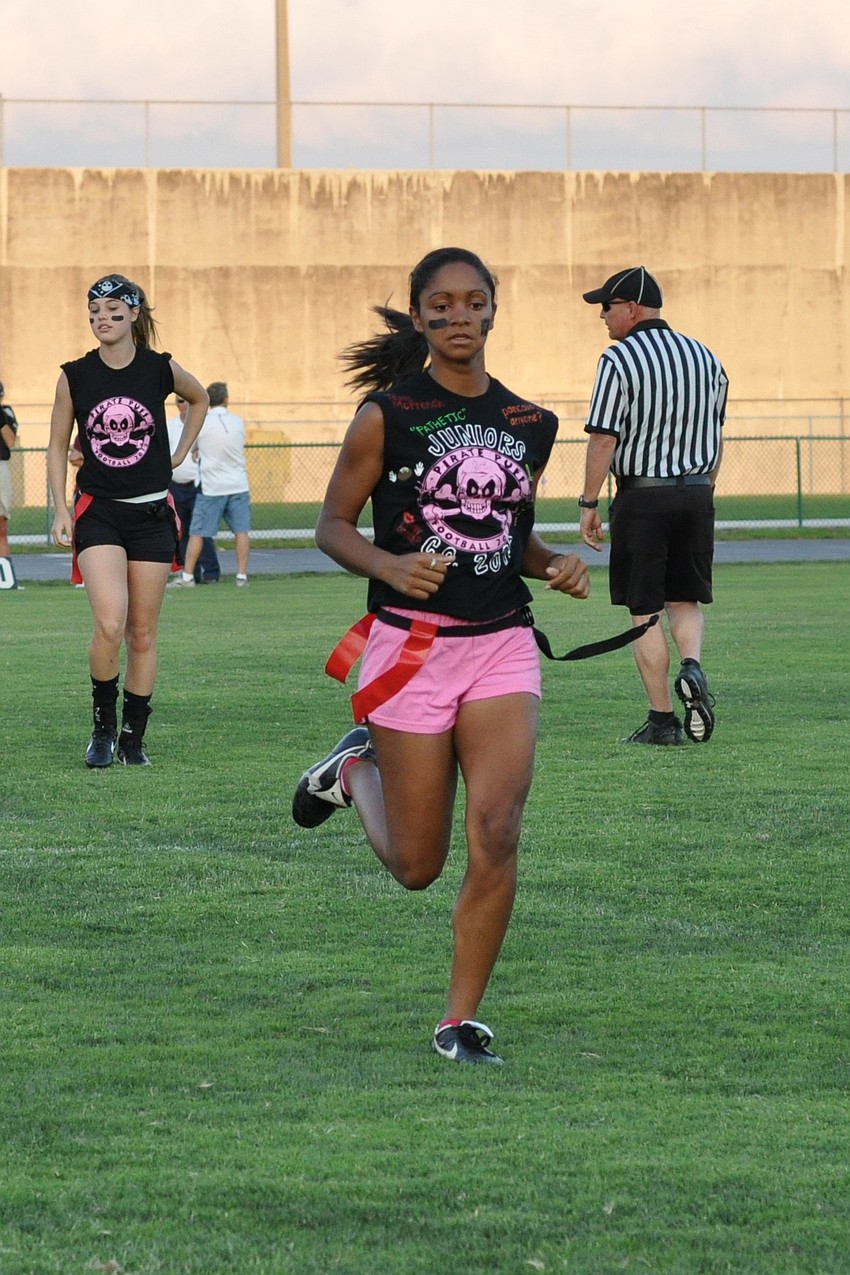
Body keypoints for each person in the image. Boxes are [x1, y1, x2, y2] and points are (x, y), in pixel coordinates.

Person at [291, 247, 590, 1066]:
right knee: (419, 865)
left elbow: (504, 530)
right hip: (408, 651)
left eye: (474, 302)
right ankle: (353, 774)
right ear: (420, 317)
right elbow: (332, 525)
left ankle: (458, 1023)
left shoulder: (534, 423)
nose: (460, 317)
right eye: (442, 305)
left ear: (495, 310)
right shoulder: (387, 414)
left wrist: (554, 560)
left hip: (500, 646)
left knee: (496, 827)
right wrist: (389, 565)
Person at [47, 273, 209, 767]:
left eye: (114, 312)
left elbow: (199, 398)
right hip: (100, 512)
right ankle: (102, 729)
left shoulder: (159, 368)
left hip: (154, 513)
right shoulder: (75, 374)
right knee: (110, 621)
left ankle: (134, 737)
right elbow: (56, 444)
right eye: (95, 313)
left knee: (142, 632)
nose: (104, 320)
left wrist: (180, 451)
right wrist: (58, 508)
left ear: (135, 316)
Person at [578, 266, 728, 746]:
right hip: (697, 490)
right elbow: (717, 435)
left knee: (644, 610)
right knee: (684, 599)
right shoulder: (707, 358)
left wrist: (588, 502)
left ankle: (662, 721)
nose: (602, 316)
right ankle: (693, 667)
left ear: (631, 308)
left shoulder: (619, 358)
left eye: (607, 306)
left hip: (642, 494)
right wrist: (703, 487)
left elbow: (604, 437)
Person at [171, 381, 251, 587]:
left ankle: (188, 576)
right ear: (226, 399)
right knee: (241, 532)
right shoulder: (238, 422)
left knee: (198, 532)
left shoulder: (203, 422)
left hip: (211, 486)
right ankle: (241, 575)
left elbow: (193, 449)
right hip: (238, 484)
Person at [166, 394, 220, 583]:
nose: (185, 405)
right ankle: (191, 573)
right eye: (181, 401)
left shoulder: (202, 425)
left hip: (197, 484)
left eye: (189, 401)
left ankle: (211, 572)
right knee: (181, 531)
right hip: (175, 486)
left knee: (200, 530)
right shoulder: (169, 426)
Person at [0, 380, 19, 560]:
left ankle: (4, 572)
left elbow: (10, 441)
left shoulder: (5, 413)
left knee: (1, 524)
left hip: (0, 466)